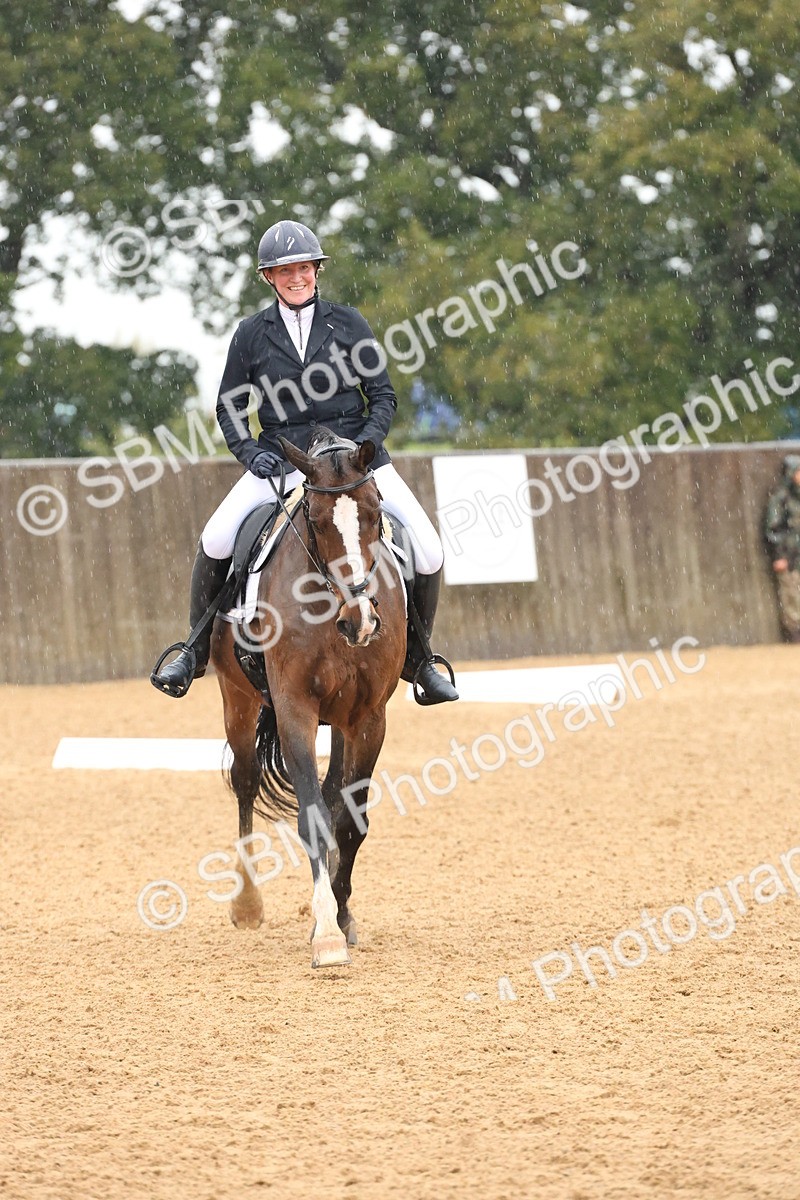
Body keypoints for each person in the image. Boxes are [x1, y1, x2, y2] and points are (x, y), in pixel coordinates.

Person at [151, 219, 458, 702]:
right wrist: (251, 452)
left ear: (317, 270)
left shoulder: (349, 323)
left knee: (430, 549)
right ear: (269, 277)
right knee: (215, 538)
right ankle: (193, 652)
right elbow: (229, 406)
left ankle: (420, 659)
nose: (296, 277)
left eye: (304, 268)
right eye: (284, 270)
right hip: (287, 460)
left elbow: (382, 395)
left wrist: (364, 449)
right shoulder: (252, 334)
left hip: (354, 463)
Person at [764, 454, 800, 644]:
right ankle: (795, 635)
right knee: (791, 595)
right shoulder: (781, 499)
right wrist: (780, 555)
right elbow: (774, 530)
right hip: (790, 556)